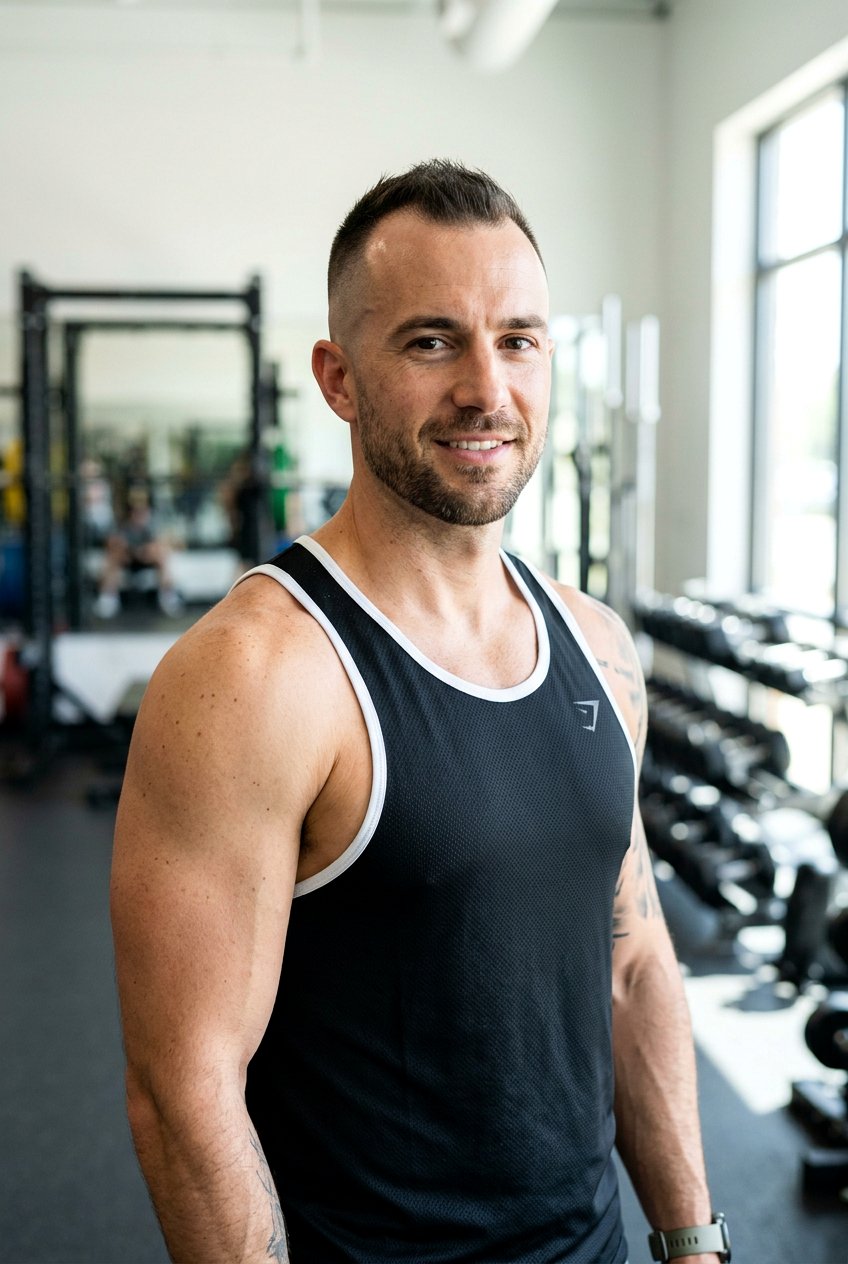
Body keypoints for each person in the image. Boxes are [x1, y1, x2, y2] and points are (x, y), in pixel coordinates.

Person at [111, 160, 729, 1264]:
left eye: (519, 339)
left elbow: (631, 966)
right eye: (432, 341)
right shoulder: (257, 675)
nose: (486, 388)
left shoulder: (596, 648)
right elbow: (183, 1088)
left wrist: (692, 1239)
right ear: (338, 378)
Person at [94, 483, 182, 618]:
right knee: (114, 554)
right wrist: (126, 549)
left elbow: (167, 541)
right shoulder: (122, 523)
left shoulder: (153, 522)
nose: (138, 512)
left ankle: (168, 595)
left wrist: (146, 550)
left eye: (142, 508)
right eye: (135, 508)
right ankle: (108, 597)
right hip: (127, 559)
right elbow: (111, 542)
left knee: (160, 552)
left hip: (147, 559)